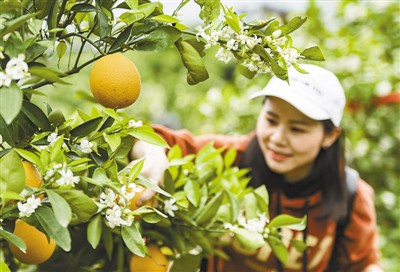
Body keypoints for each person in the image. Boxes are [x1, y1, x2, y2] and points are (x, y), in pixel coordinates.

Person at [131, 64, 382, 271]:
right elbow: (149, 137)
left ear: (330, 136)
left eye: (297, 129)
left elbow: (364, 265)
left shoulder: (351, 195)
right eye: (271, 120)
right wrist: (152, 155)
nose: (277, 138)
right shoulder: (230, 157)